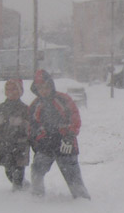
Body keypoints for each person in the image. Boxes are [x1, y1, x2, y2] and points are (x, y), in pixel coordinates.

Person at [28, 69, 90, 199]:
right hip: (45, 145)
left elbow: (74, 118)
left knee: (72, 174)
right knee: (37, 170)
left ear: (51, 86)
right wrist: (37, 140)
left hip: (65, 144)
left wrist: (69, 135)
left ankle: (81, 198)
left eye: (46, 87)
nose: (44, 91)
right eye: (40, 88)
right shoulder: (35, 105)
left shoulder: (63, 100)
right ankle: (36, 196)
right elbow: (32, 125)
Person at [0, 78, 30, 191]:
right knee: (9, 172)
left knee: (18, 173)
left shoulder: (26, 110)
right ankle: (25, 188)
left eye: (14, 89)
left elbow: (31, 131)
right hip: (4, 146)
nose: (11, 92)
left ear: (20, 91)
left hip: (20, 148)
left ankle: (18, 198)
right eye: (8, 89)